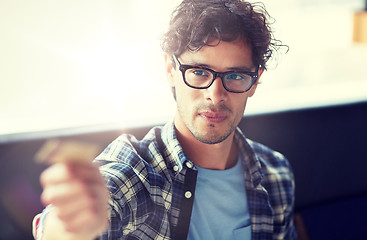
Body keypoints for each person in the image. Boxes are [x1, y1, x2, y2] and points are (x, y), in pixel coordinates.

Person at [33, 0, 296, 239]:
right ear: (170, 70)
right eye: (199, 72)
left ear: (255, 80)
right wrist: (72, 228)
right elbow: (91, 204)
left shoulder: (276, 173)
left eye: (235, 76)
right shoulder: (135, 172)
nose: (215, 95)